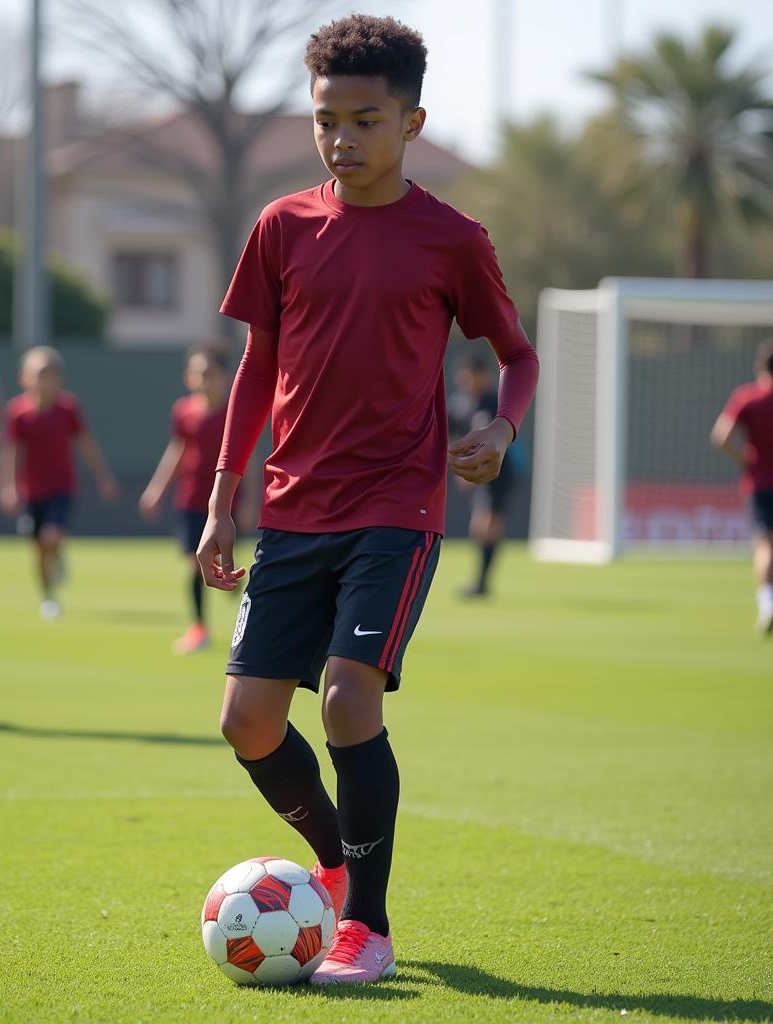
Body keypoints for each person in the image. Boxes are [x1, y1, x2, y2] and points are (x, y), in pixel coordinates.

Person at [195, 14, 539, 985]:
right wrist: (223, 500)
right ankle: (338, 867)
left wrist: (499, 430)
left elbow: (516, 356)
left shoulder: (451, 239)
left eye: (366, 119)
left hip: (397, 506)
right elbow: (255, 369)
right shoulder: (280, 226)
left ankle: (368, 928)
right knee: (247, 723)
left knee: (348, 699)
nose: (342, 138)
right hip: (290, 509)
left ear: (411, 122)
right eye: (325, 120)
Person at [0, 346, 119, 620]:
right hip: (32, 492)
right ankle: (48, 597)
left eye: (50, 373)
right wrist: (9, 487)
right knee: (39, 548)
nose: (44, 379)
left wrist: (103, 478)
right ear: (24, 378)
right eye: (38, 374)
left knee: (51, 535)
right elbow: (12, 452)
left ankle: (57, 551)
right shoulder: (18, 412)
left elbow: (86, 445)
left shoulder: (68, 409)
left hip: (61, 488)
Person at [139, 345, 231, 653]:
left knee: (219, 562)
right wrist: (157, 490)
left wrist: (248, 502)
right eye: (197, 373)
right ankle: (199, 628)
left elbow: (249, 458)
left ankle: (232, 582)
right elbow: (177, 452)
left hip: (226, 502)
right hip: (192, 501)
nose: (202, 380)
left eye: (209, 373)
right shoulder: (183, 411)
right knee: (195, 562)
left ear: (224, 377)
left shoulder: (234, 411)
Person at [711, 341, 773, 634]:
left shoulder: (747, 397)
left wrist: (744, 460)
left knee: (764, 545)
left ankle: (767, 604)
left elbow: (720, 436)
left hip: (760, 482)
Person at [447, 353, 519, 597]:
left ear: (482, 376)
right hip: (480, 473)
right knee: (480, 525)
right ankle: (480, 583)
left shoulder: (495, 402)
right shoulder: (462, 402)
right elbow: (449, 428)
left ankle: (481, 584)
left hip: (500, 472)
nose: (465, 380)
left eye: (469, 375)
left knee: (488, 524)